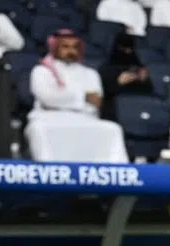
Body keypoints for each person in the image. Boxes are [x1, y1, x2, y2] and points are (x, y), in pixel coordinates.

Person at [25, 29, 129, 164]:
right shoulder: (41, 71)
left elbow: (95, 103)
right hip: (48, 118)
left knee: (113, 129)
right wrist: (83, 97)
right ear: (55, 48)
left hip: (84, 118)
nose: (71, 51)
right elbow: (47, 99)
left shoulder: (90, 73)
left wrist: (64, 99)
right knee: (38, 130)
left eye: (75, 47)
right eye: (65, 47)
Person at [98, 31, 153, 122]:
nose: (128, 52)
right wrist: (118, 83)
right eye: (124, 49)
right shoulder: (106, 69)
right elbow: (103, 95)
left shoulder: (137, 66)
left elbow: (148, 92)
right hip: (115, 112)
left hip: (138, 110)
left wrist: (144, 80)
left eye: (130, 49)